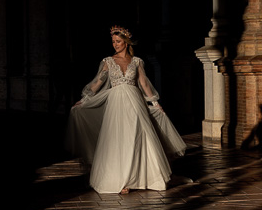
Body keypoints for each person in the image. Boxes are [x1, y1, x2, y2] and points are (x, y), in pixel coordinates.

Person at [66, 24, 185, 195]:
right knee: (117, 139)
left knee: (137, 137)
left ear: (126, 42)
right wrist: (84, 100)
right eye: (113, 41)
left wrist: (154, 103)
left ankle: (142, 177)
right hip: (116, 104)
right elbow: (97, 83)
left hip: (135, 102)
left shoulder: (137, 62)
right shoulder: (108, 61)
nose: (115, 44)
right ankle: (120, 179)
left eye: (118, 41)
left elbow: (143, 83)